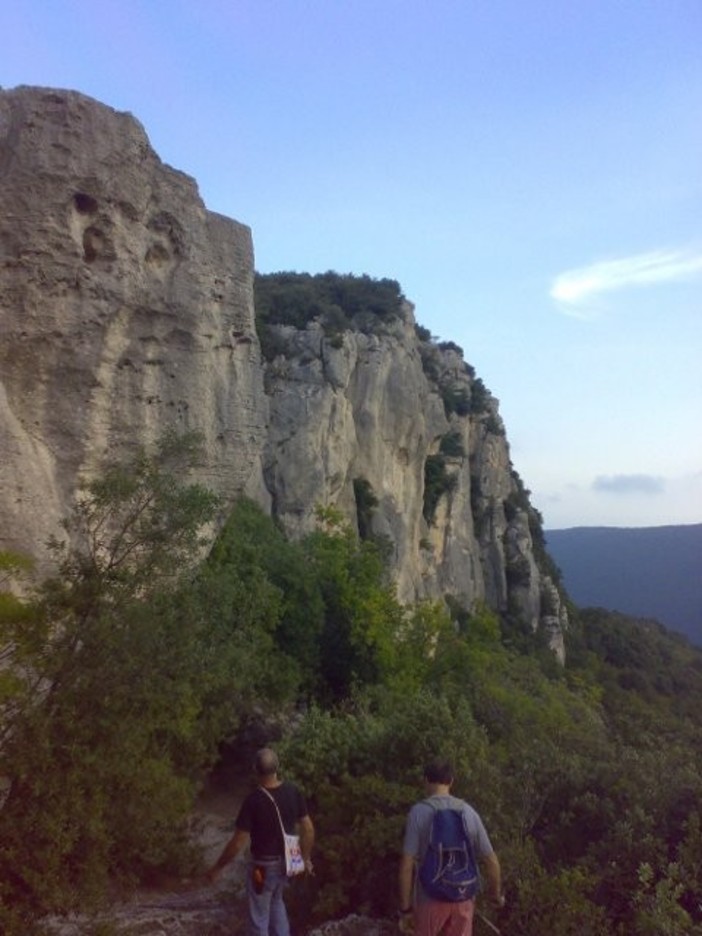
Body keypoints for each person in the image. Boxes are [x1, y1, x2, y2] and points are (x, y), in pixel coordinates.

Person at [206, 747, 314, 936]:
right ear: (277, 767)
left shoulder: (253, 801)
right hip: (287, 863)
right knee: (276, 902)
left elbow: (238, 842)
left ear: (255, 769)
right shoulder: (293, 791)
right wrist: (305, 859)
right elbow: (308, 829)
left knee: (258, 916)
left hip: (261, 868)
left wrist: (217, 867)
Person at [398, 759, 504, 936]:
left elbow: (406, 865)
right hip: (463, 897)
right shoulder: (469, 812)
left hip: (429, 898)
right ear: (451, 781)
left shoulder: (418, 813)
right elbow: (491, 861)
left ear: (425, 780)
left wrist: (405, 909)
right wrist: (495, 895)